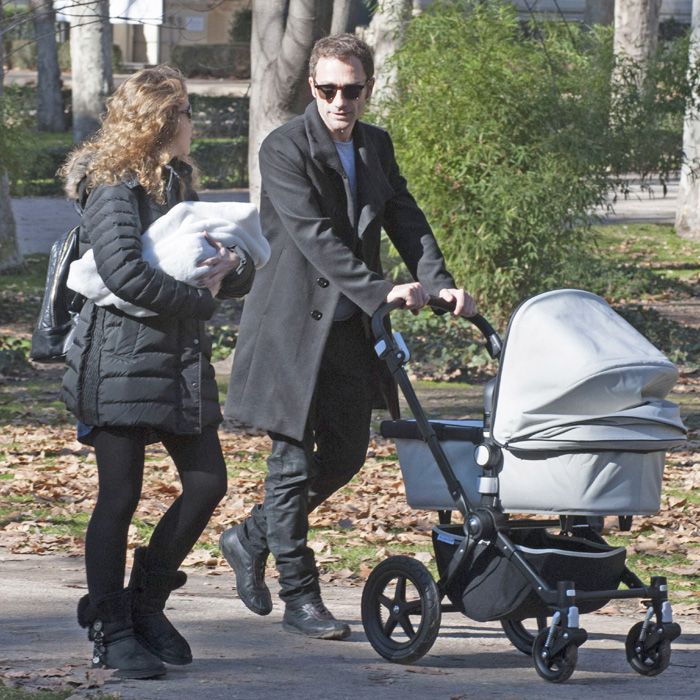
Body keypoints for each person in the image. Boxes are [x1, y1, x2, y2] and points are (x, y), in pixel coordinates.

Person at [219, 33, 477, 640]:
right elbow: (314, 236)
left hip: (347, 330)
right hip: (290, 328)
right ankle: (300, 596)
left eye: (352, 90)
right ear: (312, 87)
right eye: (328, 89)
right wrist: (380, 289)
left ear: (367, 89)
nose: (340, 101)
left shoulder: (375, 145)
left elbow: (405, 216)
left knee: (345, 455)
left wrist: (438, 283)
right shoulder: (283, 148)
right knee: (288, 462)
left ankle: (250, 535)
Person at [59, 65, 254, 678]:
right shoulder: (112, 182)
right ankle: (111, 630)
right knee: (119, 496)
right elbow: (121, 272)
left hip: (178, 360)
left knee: (206, 482)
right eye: (188, 114)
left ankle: (144, 604)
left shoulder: (177, 179)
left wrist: (232, 265)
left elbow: (211, 261)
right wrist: (202, 299)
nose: (193, 125)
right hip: (118, 359)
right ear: (164, 121)